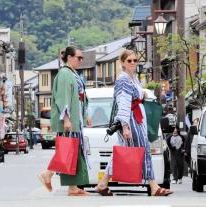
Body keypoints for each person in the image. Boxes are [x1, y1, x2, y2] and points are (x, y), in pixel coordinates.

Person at [95, 49, 173, 196]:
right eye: (129, 61)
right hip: (130, 119)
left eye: (135, 60)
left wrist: (141, 94)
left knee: (124, 151)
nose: (132, 63)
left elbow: (133, 97)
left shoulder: (133, 78)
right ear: (122, 63)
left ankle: (103, 183)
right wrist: (125, 126)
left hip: (136, 118)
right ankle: (154, 186)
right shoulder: (123, 79)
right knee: (143, 150)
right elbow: (123, 102)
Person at [38, 46, 92, 196]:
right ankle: (50, 175)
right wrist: (66, 118)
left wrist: (86, 113)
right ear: (69, 57)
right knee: (68, 150)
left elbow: (81, 96)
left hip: (77, 117)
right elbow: (62, 98)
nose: (81, 61)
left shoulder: (73, 73)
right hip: (70, 119)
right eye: (78, 58)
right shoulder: (64, 74)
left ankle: (71, 185)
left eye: (82, 58)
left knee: (72, 150)